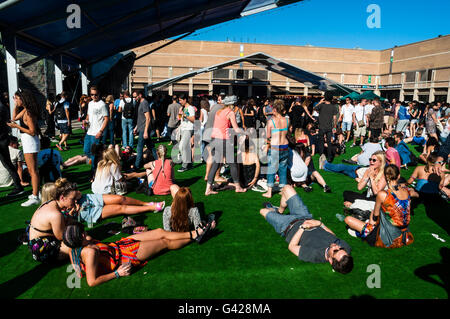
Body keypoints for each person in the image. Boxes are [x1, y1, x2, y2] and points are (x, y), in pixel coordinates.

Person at [63, 218, 216, 287]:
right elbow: (92, 282)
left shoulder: (75, 246)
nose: (85, 232)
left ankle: (196, 233)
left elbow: (76, 266)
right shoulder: (89, 253)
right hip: (125, 256)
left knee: (159, 231)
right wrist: (117, 273)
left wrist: (78, 268)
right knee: (165, 243)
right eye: (81, 232)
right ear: (79, 238)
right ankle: (197, 234)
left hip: (120, 245)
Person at [259, 185, 353, 274]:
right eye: (340, 248)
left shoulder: (315, 256)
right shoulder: (345, 249)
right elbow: (333, 236)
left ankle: (273, 210)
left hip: (287, 225)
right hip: (304, 216)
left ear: (331, 261)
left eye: (335, 251)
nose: (337, 246)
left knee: (263, 211)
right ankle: (279, 211)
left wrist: (302, 228)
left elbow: (292, 247)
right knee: (287, 188)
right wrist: (320, 224)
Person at [345, 165, 415, 248]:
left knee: (348, 219)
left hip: (386, 237)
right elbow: (415, 194)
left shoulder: (383, 194)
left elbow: (375, 217)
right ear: (398, 176)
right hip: (404, 234)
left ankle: (361, 233)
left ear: (385, 177)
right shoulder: (407, 191)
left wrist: (369, 227)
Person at [27, 178, 78, 263]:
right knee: (80, 243)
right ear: (62, 198)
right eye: (73, 198)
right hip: (42, 249)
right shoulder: (55, 214)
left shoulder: (50, 202)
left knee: (81, 238)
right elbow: (63, 237)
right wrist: (70, 218)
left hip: (37, 244)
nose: (75, 201)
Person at [205, 95, 246, 196]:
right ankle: (238, 187)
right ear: (233, 104)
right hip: (223, 140)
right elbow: (236, 129)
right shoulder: (230, 112)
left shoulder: (219, 111)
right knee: (232, 163)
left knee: (215, 164)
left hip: (214, 138)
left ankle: (208, 189)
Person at [7, 89, 41, 206]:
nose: (15, 100)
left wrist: (17, 127)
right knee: (33, 170)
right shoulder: (26, 110)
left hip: (30, 142)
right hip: (29, 142)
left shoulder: (29, 113)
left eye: (16, 98)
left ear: (23, 98)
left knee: (33, 171)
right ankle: (37, 192)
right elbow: (14, 118)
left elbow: (32, 131)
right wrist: (16, 106)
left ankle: (35, 196)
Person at [263, 99, 289, 198]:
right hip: (285, 146)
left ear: (274, 109)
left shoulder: (271, 122)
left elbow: (268, 136)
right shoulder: (287, 120)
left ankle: (269, 192)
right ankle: (282, 190)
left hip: (275, 147)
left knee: (271, 169)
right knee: (283, 168)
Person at [83, 86, 109, 167]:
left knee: (94, 153)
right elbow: (88, 115)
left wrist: (101, 131)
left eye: (96, 94)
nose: (94, 96)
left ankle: (94, 171)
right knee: (86, 150)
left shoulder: (102, 104)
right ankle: (97, 164)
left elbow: (106, 119)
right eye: (92, 94)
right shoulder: (90, 103)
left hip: (97, 132)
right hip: (89, 131)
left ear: (99, 94)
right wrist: (85, 121)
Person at [133, 91, 156, 170]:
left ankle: (137, 166)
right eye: (133, 97)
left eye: (135, 96)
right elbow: (141, 118)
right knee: (151, 146)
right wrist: (136, 127)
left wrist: (146, 131)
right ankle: (158, 160)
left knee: (139, 147)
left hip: (144, 129)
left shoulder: (144, 103)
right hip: (142, 128)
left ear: (140, 95)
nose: (134, 98)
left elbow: (148, 118)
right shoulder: (141, 103)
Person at [316, 92, 338, 162]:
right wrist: (334, 127)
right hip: (329, 127)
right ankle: (329, 157)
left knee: (321, 142)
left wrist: (320, 102)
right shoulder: (333, 107)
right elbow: (335, 118)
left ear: (325, 97)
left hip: (321, 127)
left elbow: (314, 108)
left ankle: (321, 155)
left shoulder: (321, 105)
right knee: (329, 142)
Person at [176, 94, 196, 172]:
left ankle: (184, 165)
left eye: (181, 100)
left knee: (182, 146)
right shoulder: (183, 108)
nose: (180, 102)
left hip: (189, 128)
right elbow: (180, 118)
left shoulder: (190, 108)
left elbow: (193, 119)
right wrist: (180, 113)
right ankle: (190, 164)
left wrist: (185, 115)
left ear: (185, 100)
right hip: (183, 128)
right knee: (186, 147)